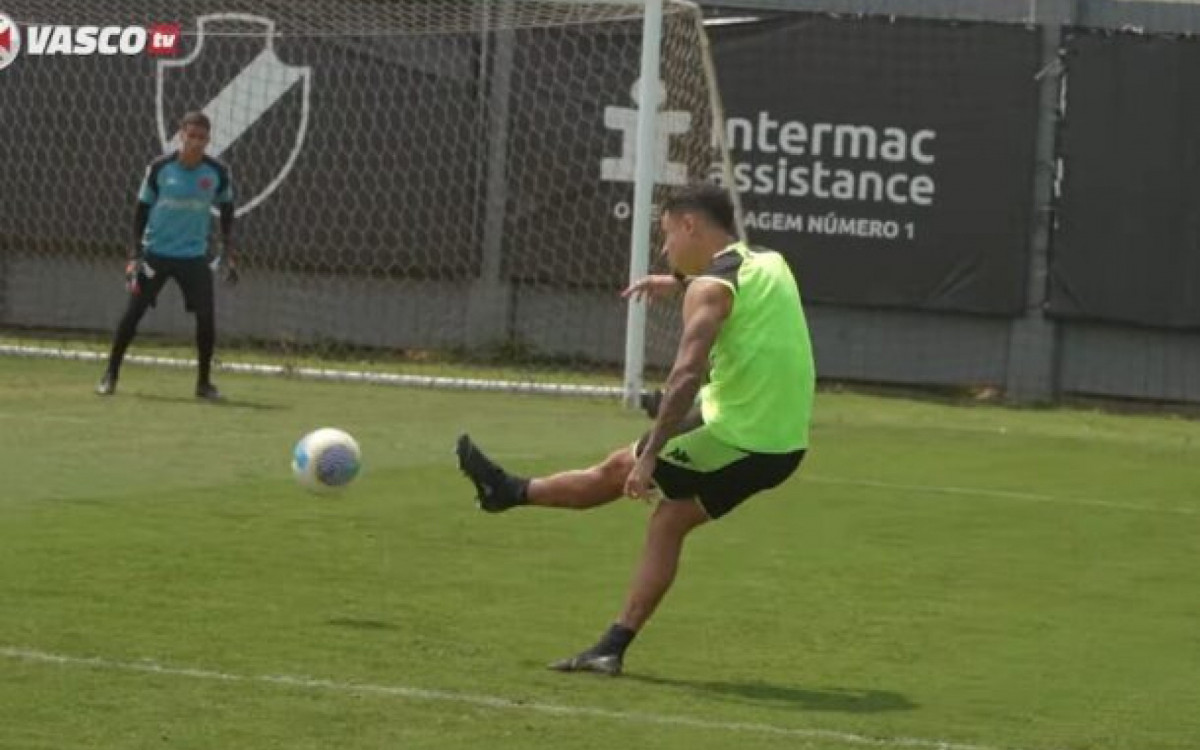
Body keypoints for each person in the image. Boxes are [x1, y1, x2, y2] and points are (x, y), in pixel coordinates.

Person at [455, 182, 816, 676]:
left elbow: (687, 375)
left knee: (617, 469)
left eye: (668, 235)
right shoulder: (772, 262)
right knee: (670, 521)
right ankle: (611, 646)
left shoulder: (710, 289)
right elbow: (731, 289)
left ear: (691, 225)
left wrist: (650, 457)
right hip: (783, 445)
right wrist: (677, 283)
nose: (665, 250)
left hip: (739, 434)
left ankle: (508, 491)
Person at [95, 110, 238, 399]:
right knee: (132, 314)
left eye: (201, 137)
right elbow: (140, 210)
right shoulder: (160, 168)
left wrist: (228, 249)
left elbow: (227, 209)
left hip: (194, 257)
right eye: (190, 136)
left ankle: (203, 384)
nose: (195, 142)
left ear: (208, 140)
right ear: (181, 135)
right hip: (154, 255)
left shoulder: (217, 173)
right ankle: (110, 375)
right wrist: (135, 253)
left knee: (207, 318)